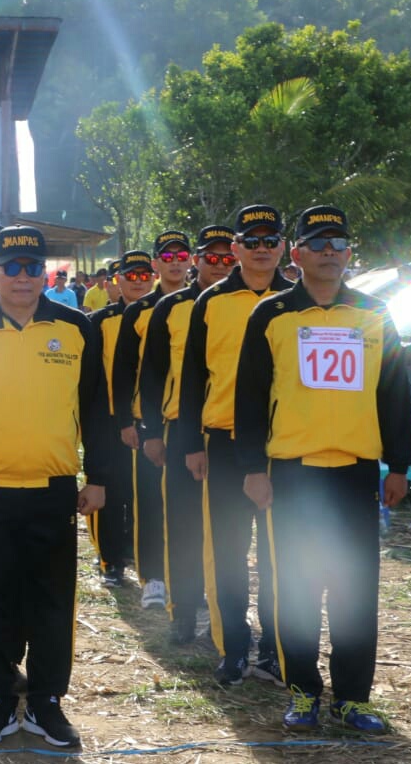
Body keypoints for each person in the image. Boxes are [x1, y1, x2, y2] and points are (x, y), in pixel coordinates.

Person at [0, 225, 108, 749]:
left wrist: (98, 477)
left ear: (44, 272)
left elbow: (97, 408)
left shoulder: (77, 328)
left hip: (54, 488)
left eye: (32, 267)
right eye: (11, 267)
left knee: (52, 599)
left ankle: (47, 702)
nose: (22, 277)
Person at [235, 205, 411, 733]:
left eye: (339, 242)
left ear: (350, 254)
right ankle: (304, 691)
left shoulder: (377, 314)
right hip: (291, 474)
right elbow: (248, 398)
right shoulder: (271, 316)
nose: (331, 251)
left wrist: (399, 466)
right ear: (298, 255)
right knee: (297, 587)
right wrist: (252, 467)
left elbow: (394, 395)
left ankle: (354, 696)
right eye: (319, 242)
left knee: (354, 586)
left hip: (355, 472)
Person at [177, 204, 292, 688]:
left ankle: (275, 650)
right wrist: (190, 443)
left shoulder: (298, 301)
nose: (262, 249)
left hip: (285, 446)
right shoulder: (211, 302)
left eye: (271, 240)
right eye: (253, 241)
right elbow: (192, 377)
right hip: (222, 444)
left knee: (279, 555)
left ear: (283, 247)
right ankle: (233, 649)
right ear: (237, 248)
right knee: (226, 551)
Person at [137, 225, 236, 643]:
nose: (218, 266)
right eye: (209, 258)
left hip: (238, 432)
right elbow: (154, 374)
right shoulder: (172, 306)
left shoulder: (258, 303)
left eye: (225, 258)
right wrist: (152, 432)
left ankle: (229, 614)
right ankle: (183, 611)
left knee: (230, 530)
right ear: (197, 260)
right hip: (182, 429)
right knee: (183, 523)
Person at [112, 230, 190, 611]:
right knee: (149, 502)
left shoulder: (201, 304)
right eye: (167, 256)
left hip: (193, 421)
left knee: (188, 508)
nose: (175, 262)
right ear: (156, 262)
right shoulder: (139, 311)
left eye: (182, 255)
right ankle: (153, 577)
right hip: (151, 423)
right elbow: (125, 370)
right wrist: (127, 420)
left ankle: (189, 577)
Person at [85, 252, 151, 588]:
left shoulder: (161, 312)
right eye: (131, 276)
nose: (138, 281)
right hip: (110, 421)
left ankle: (141, 554)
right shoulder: (100, 320)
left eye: (144, 275)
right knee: (110, 493)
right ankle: (110, 560)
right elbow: (93, 378)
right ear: (117, 280)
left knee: (144, 494)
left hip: (151, 421)